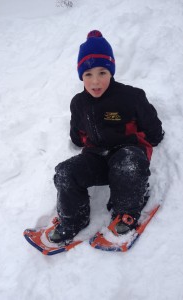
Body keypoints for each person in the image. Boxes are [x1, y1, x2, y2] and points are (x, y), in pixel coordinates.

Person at [48, 30, 164, 243]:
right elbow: (77, 136)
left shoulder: (132, 97)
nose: (95, 81)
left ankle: (127, 211)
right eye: (88, 74)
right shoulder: (78, 103)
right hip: (97, 157)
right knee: (64, 172)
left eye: (102, 72)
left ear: (111, 71)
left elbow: (154, 132)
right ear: (81, 76)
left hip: (128, 153)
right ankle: (73, 220)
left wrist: (141, 143)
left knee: (127, 165)